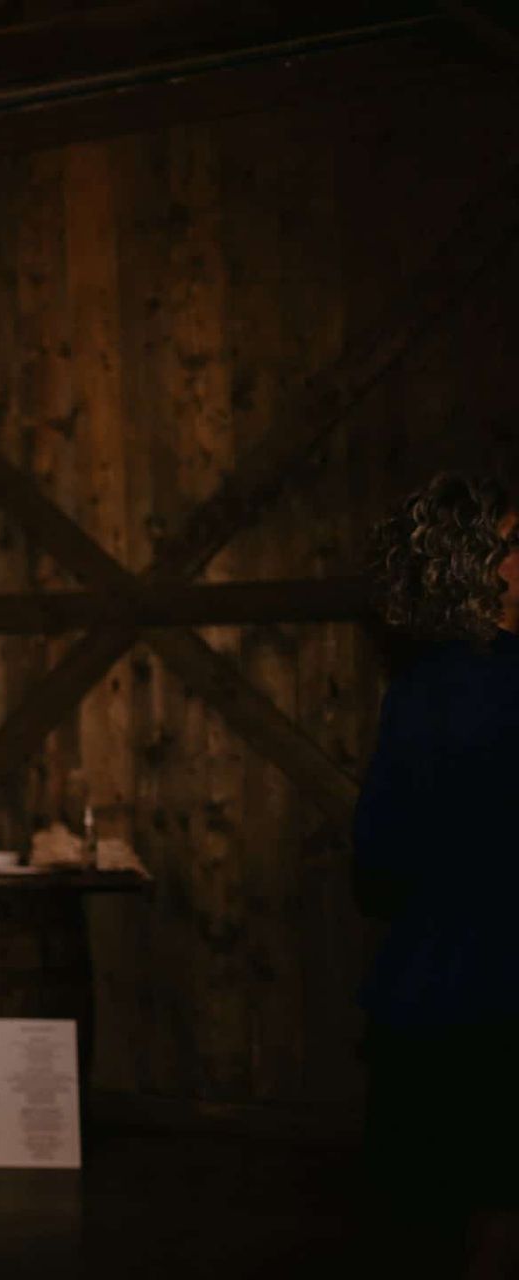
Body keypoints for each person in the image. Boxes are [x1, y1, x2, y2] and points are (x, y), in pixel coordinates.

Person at [355, 469, 519, 1279]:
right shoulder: (459, 688)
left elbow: (380, 859)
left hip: (441, 990)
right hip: (476, 993)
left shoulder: (423, 688)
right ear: (487, 564)